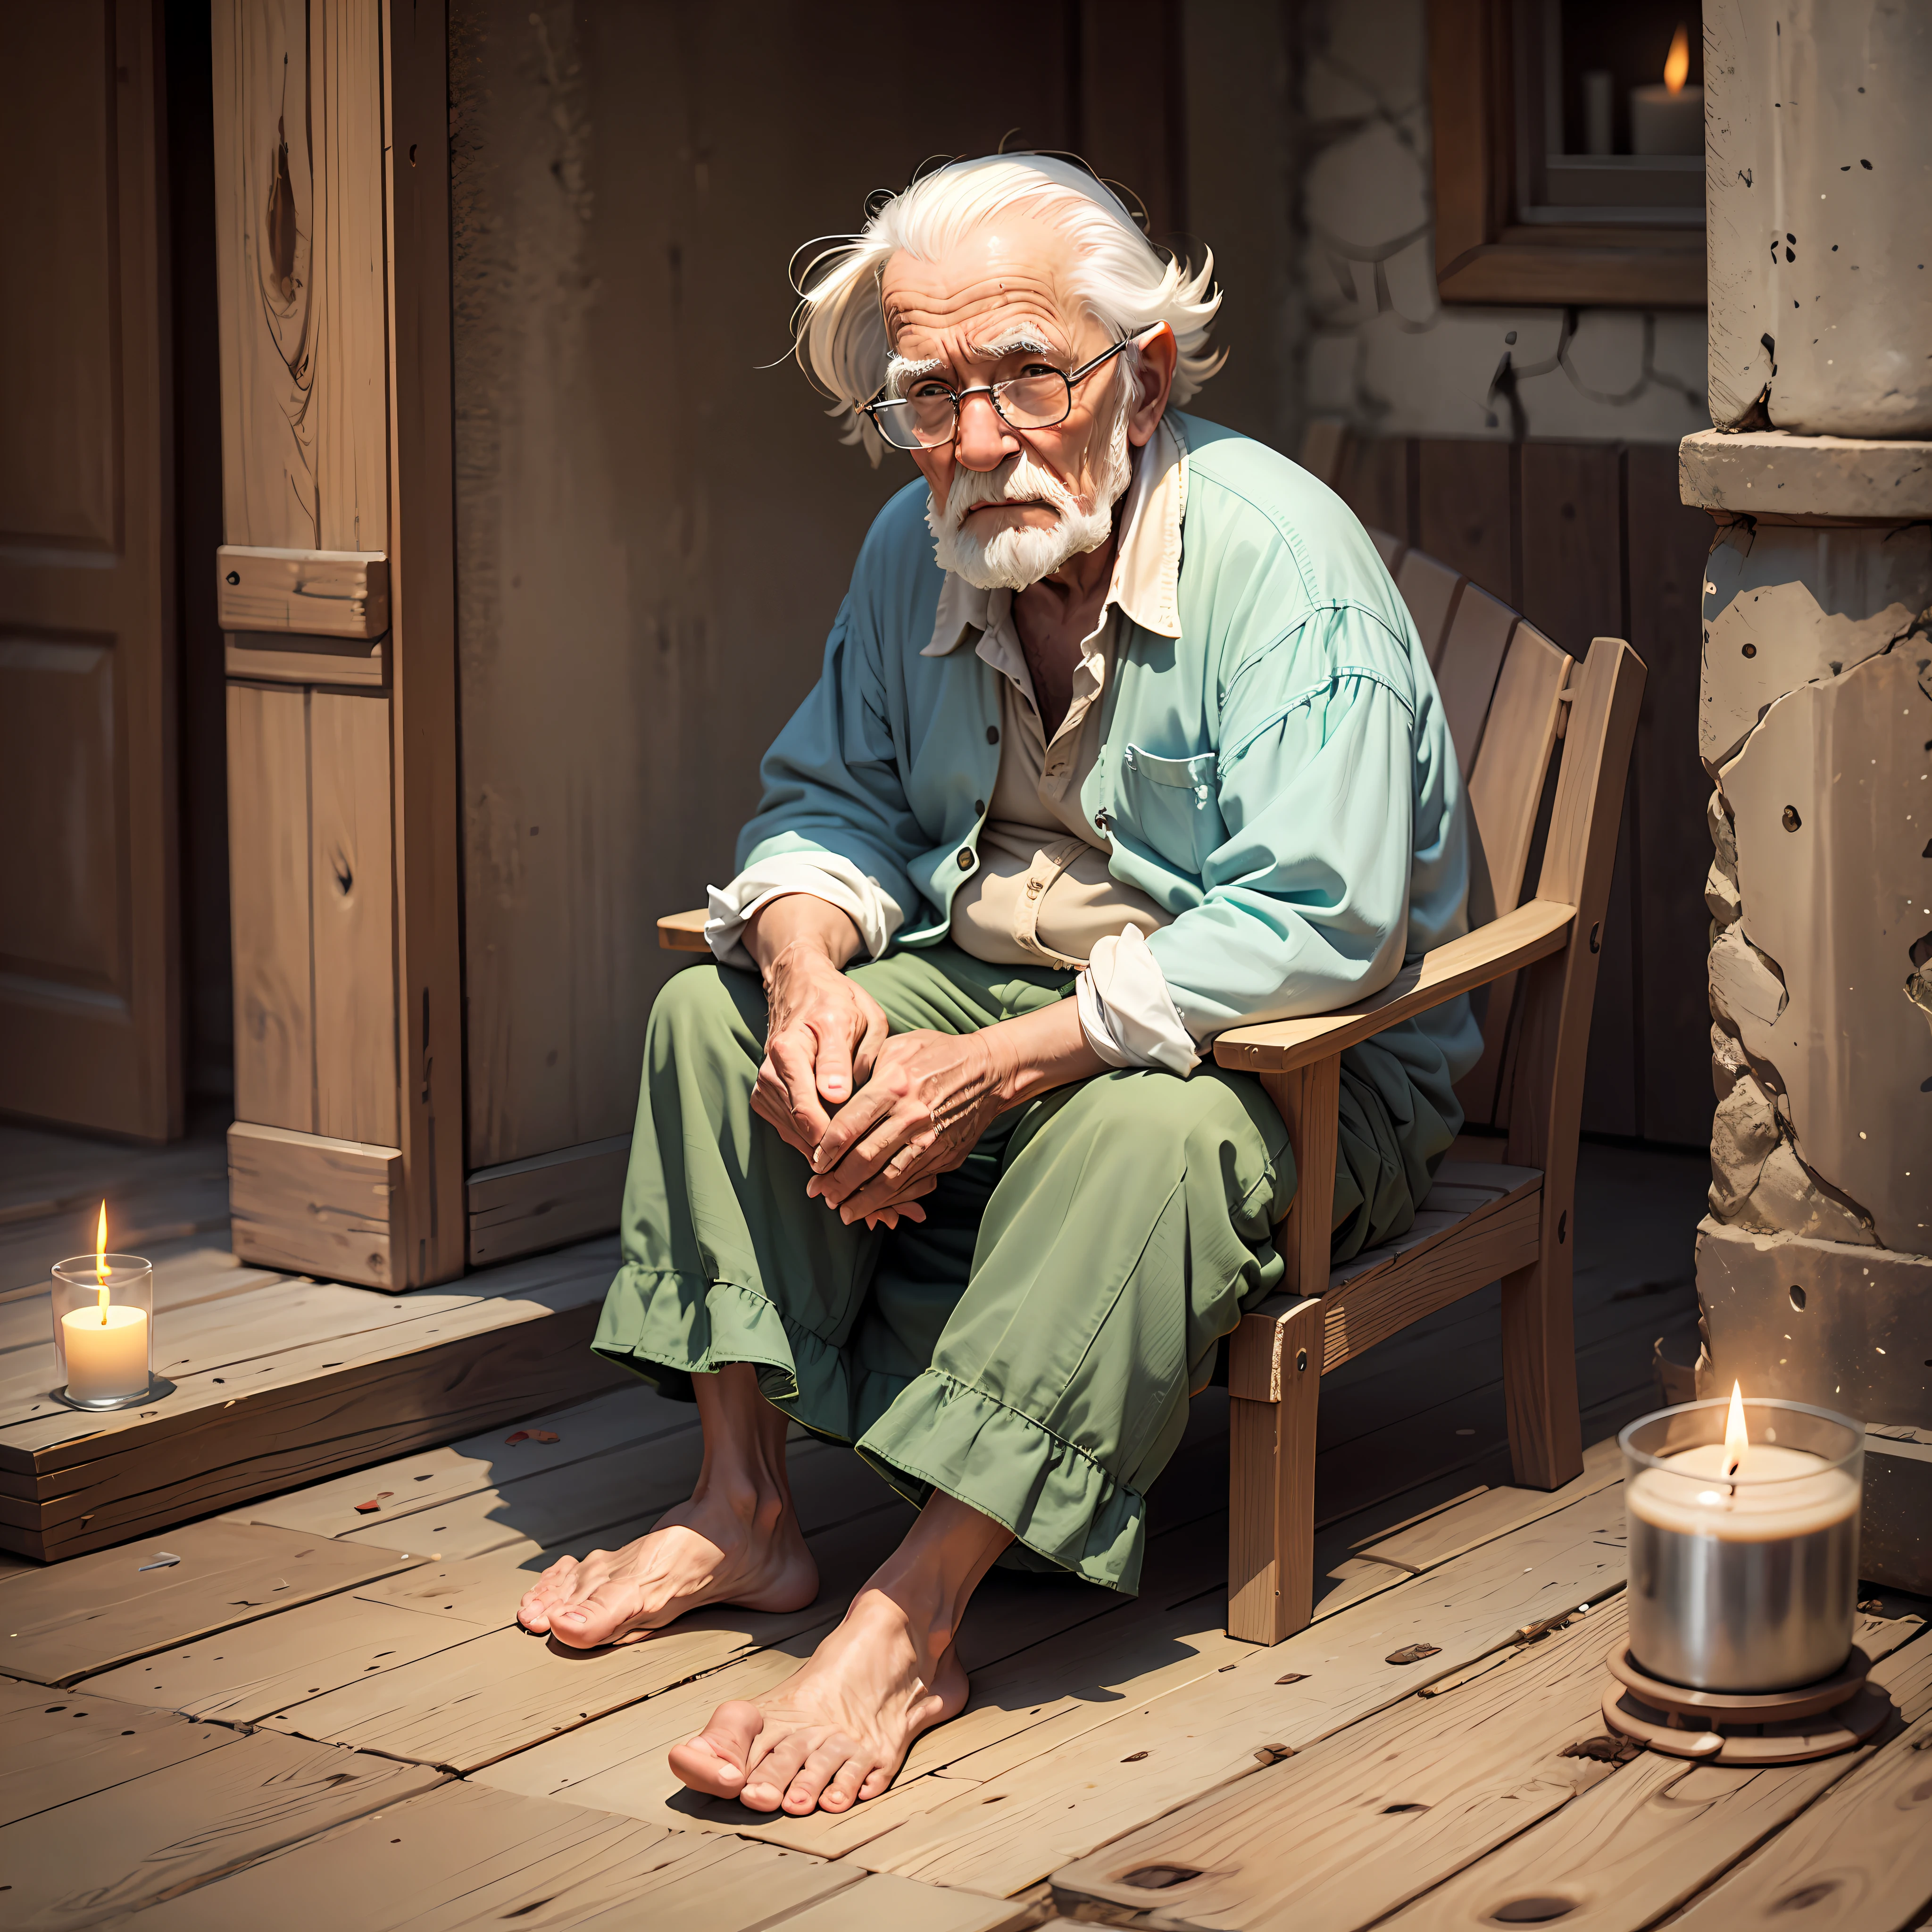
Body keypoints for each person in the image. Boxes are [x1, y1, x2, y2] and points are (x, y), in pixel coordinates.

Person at [516, 154, 1477, 1819]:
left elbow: (1324, 926)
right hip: (1015, 1006)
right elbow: (828, 801)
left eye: (1029, 374)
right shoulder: (918, 547)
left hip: (1301, 1065)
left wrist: (1003, 1065)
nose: (977, 440)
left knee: (1150, 1138)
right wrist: (813, 967)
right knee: (711, 1010)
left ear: (1145, 375)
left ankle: (918, 1609)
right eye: (931, 394)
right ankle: (744, 1503)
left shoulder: (1276, 561)